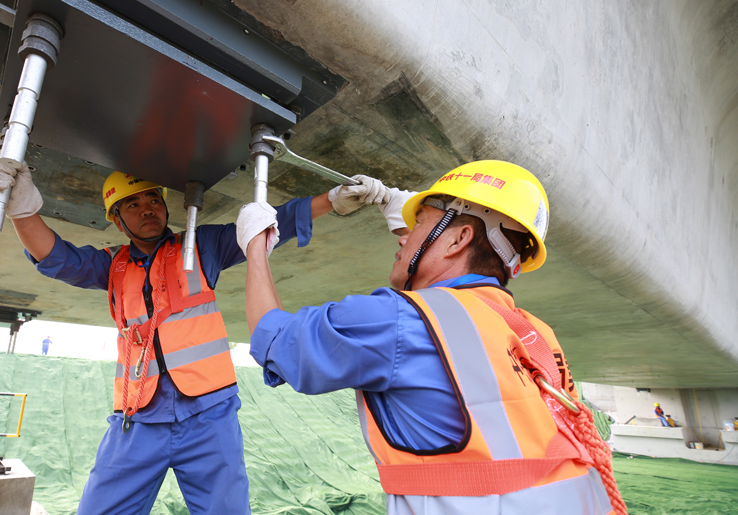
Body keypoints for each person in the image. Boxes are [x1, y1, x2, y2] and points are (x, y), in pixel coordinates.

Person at [0, 149, 389, 515]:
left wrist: (332, 201)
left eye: (153, 198)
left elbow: (264, 224)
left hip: (210, 418)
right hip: (137, 421)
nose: (147, 208)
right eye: (132, 204)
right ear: (118, 222)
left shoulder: (202, 246)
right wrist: (23, 211)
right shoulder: (111, 266)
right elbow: (57, 258)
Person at [238, 160, 627, 515]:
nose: (403, 237)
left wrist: (256, 245)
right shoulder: (533, 333)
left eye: (419, 223)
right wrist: (423, 230)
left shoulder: (395, 320)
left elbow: (273, 339)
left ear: (458, 239)